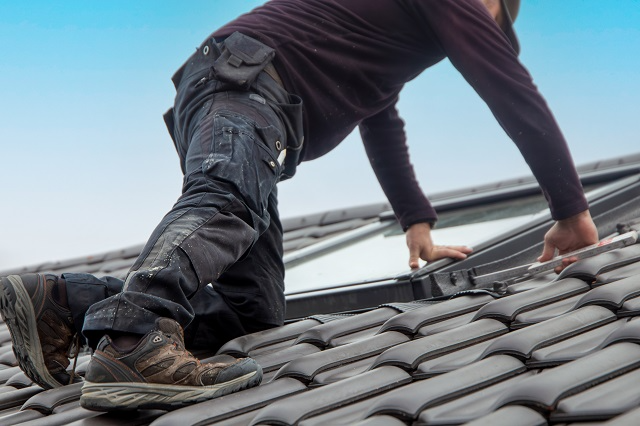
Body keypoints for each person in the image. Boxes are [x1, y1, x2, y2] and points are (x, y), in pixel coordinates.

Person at [0, 0, 598, 412]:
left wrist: (416, 222)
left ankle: (63, 301)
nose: (481, 32)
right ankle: (130, 343)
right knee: (226, 202)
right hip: (246, 83)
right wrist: (570, 211)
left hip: (238, 95)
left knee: (251, 311)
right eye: (491, 18)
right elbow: (508, 88)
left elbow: (380, 119)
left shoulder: (386, 35)